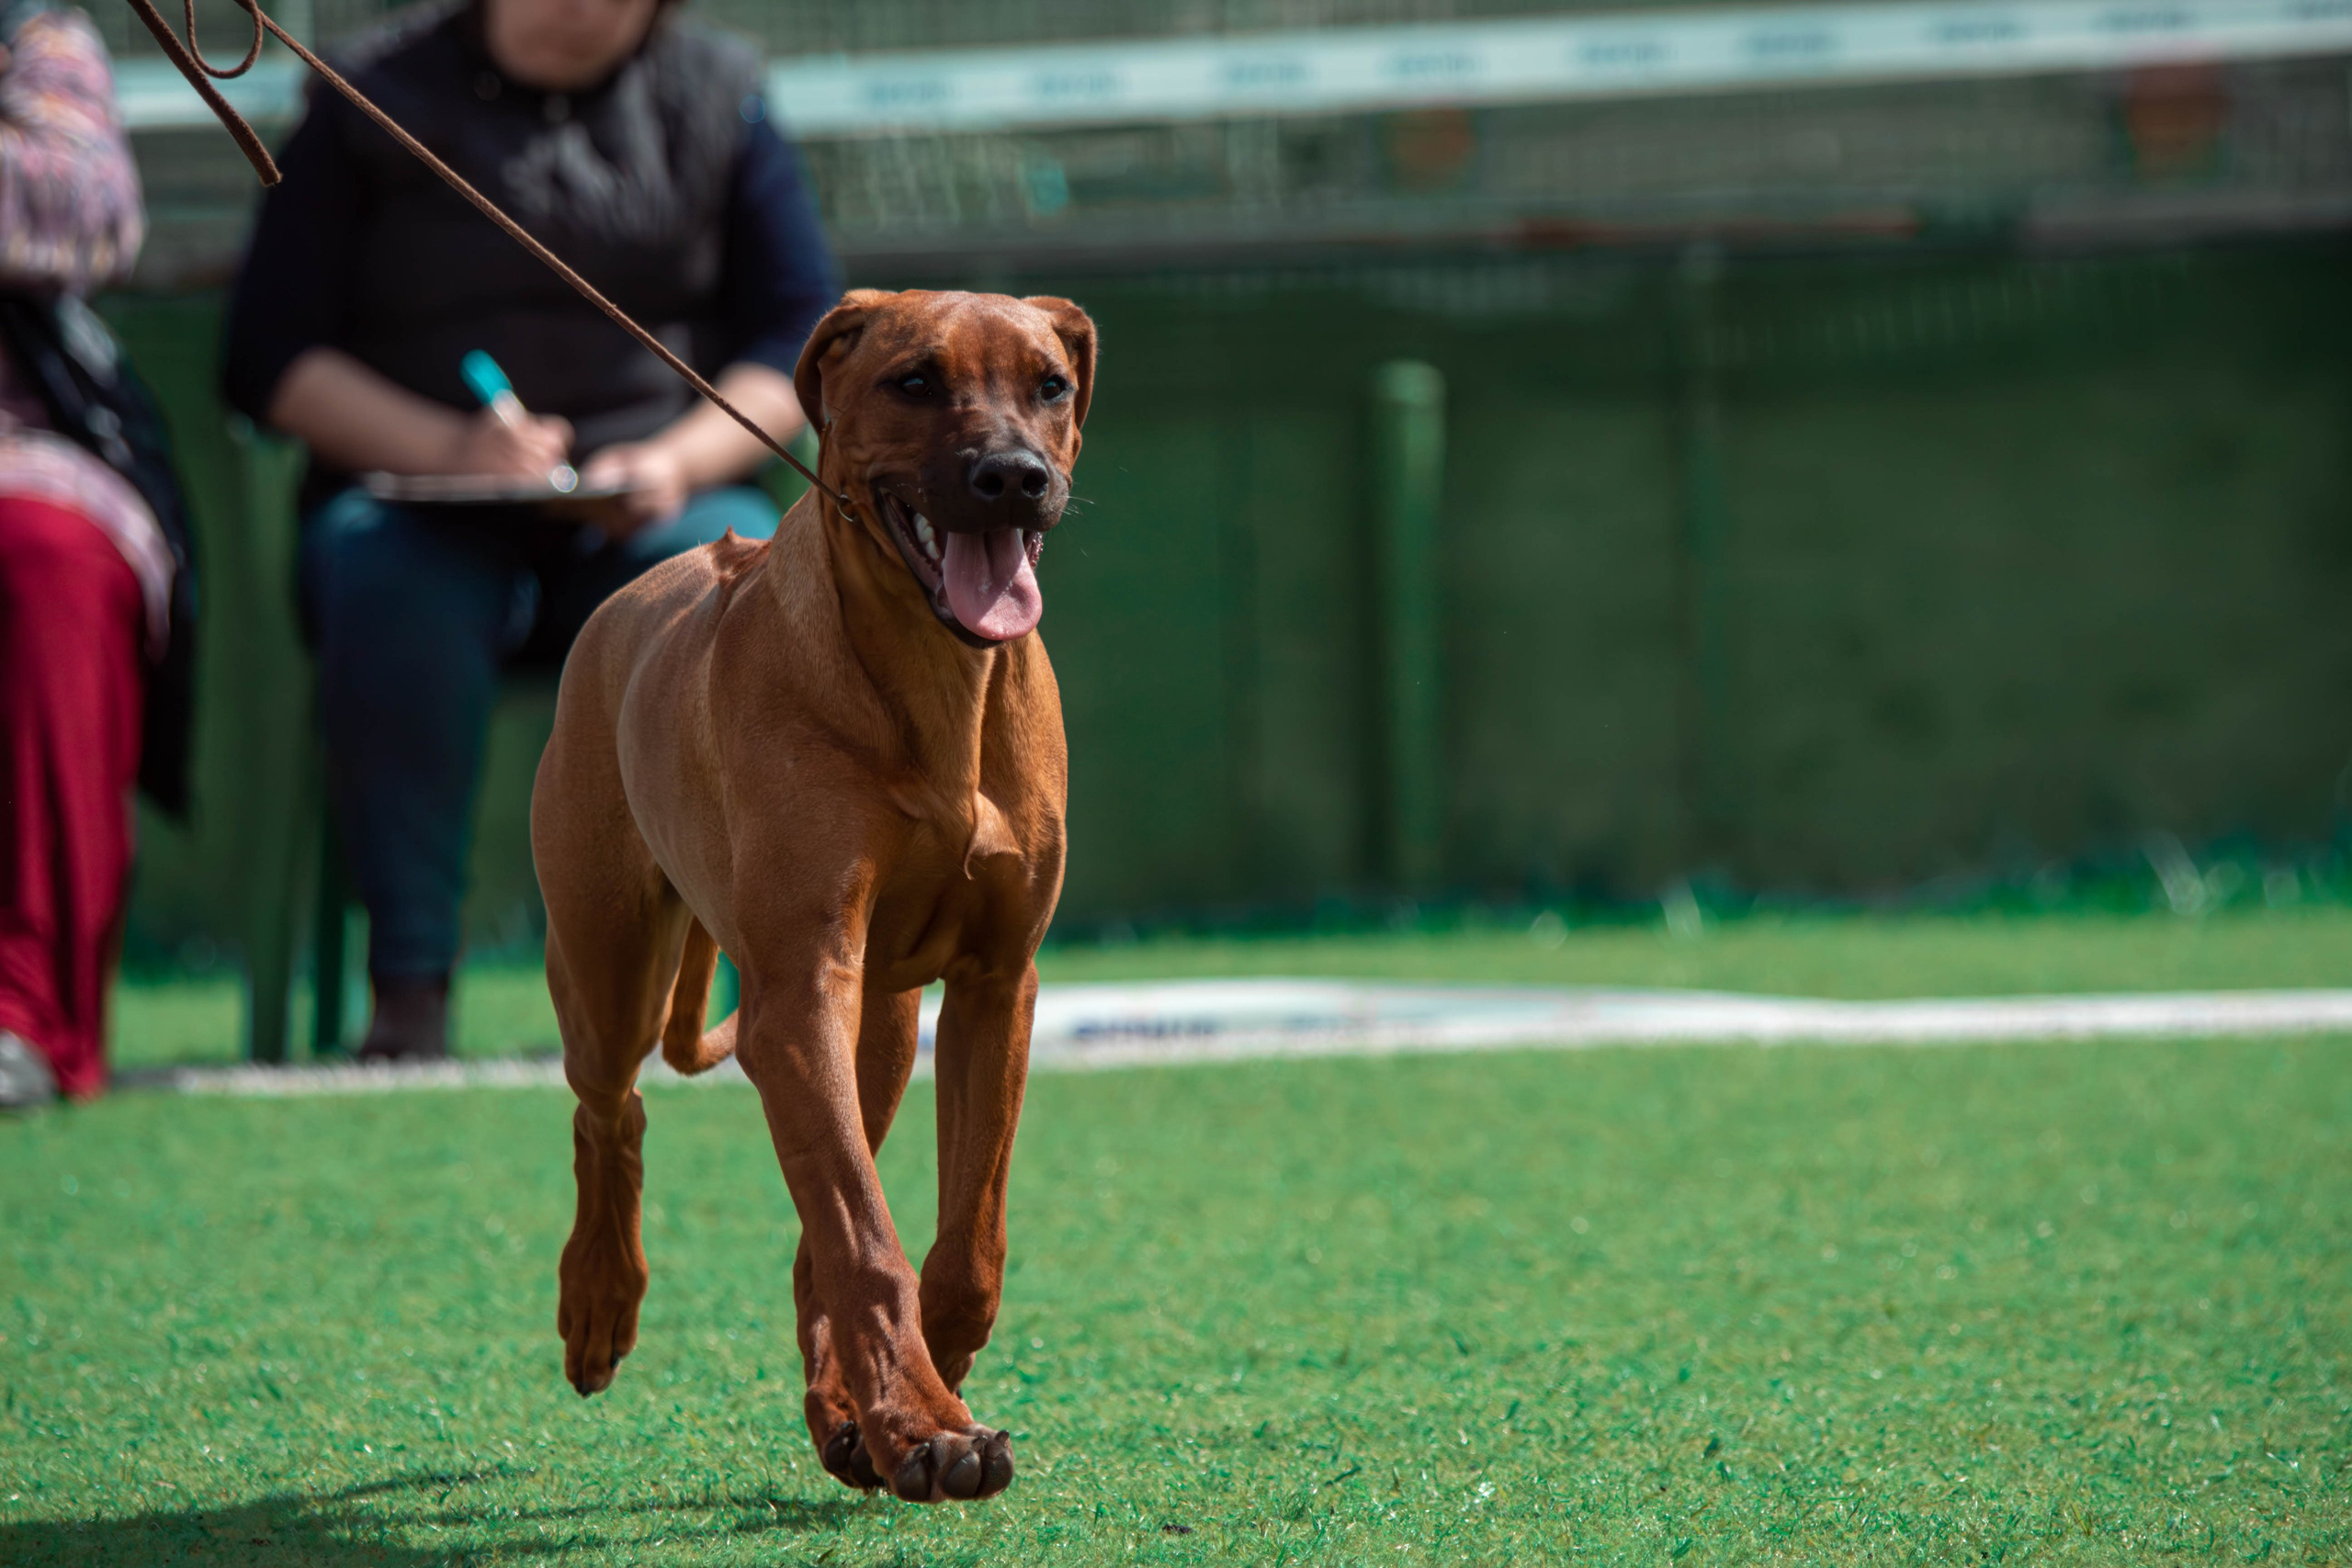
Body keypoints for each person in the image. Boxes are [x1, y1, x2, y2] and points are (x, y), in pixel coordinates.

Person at [223, 0, 838, 1061]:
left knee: (726, 580)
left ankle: (748, 989)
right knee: (386, 583)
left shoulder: (721, 93)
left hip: (661, 499)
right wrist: (447, 449)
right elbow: (270, 354)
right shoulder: (365, 95)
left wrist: (673, 463)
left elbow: (797, 340)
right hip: (417, 507)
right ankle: (409, 988)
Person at [0, 0, 198, 1109]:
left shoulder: (38, 30)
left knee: (46, 553)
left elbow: (86, 208)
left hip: (22, 450)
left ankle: (23, 1012)